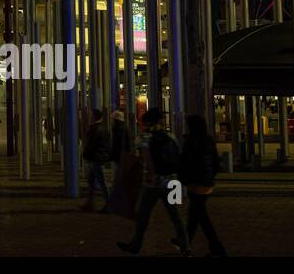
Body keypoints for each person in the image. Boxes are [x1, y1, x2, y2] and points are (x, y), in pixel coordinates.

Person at [117, 109, 190, 256]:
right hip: (171, 181)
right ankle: (186, 246)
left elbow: (144, 157)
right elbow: (178, 156)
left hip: (152, 183)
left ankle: (135, 245)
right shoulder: (171, 136)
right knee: (175, 215)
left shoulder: (144, 137)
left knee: (143, 215)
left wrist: (150, 173)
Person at [179, 114, 227, 257]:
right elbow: (216, 163)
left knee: (201, 218)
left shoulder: (190, 141)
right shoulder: (209, 140)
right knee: (195, 215)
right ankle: (185, 244)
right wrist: (211, 176)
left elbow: (185, 162)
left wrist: (183, 179)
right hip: (206, 183)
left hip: (195, 184)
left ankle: (217, 248)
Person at [81, 108, 111, 210]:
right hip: (98, 158)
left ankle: (109, 203)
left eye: (91, 115)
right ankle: (90, 203)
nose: (89, 117)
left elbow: (91, 145)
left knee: (101, 182)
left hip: (95, 158)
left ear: (94, 117)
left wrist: (85, 154)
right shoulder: (101, 128)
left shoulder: (95, 129)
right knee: (92, 181)